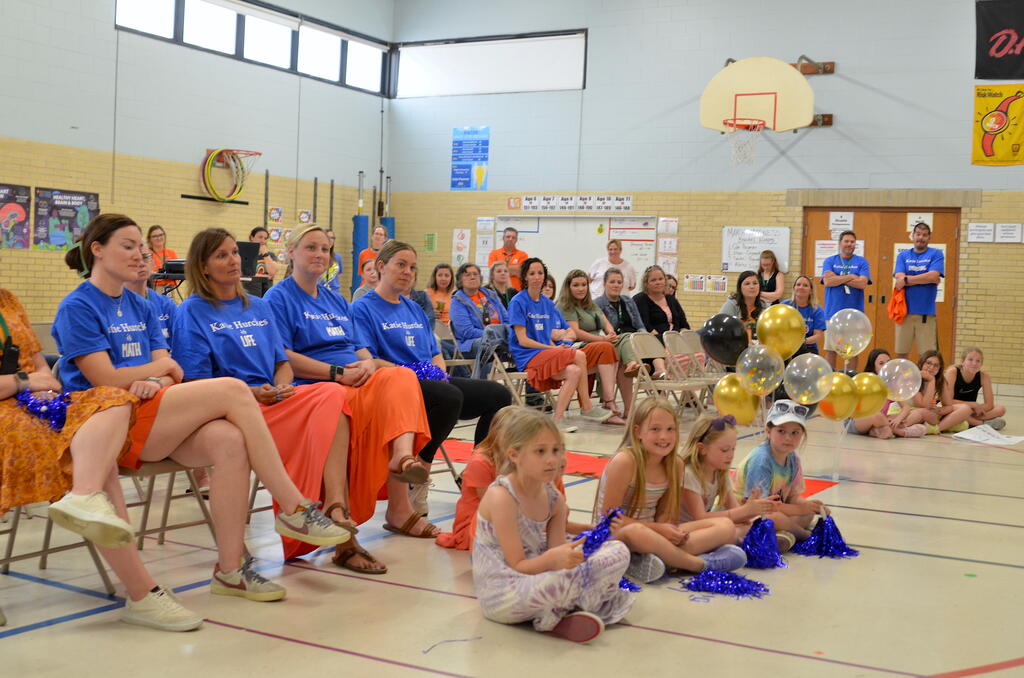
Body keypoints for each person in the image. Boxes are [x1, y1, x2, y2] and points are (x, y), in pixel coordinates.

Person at [53, 214, 351, 615]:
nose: (139, 253)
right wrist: (155, 373)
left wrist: (154, 377)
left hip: (153, 412)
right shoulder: (78, 305)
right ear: (97, 250)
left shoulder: (141, 306)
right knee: (233, 389)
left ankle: (231, 570)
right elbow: (104, 378)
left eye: (140, 246)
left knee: (229, 440)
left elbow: (169, 370)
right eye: (128, 246)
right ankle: (294, 507)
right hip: (105, 425)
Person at [172, 227, 406, 564]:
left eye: (235, 252)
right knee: (334, 405)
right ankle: (302, 511)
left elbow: (282, 362)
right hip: (230, 408)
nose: (234, 260)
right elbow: (197, 382)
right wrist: (252, 392)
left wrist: (283, 384)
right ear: (203, 266)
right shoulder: (192, 312)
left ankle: (335, 507)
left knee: (331, 394)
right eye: (221, 255)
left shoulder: (257, 306)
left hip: (274, 399)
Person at [0, 288, 190, 630]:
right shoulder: (78, 304)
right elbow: (32, 374)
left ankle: (84, 497)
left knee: (112, 401)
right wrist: (25, 381)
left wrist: (38, 383)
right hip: (9, 417)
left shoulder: (8, 300)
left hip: (37, 404)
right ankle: (141, 592)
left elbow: (43, 369)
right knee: (98, 464)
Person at [263, 225, 434, 571]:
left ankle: (402, 458)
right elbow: (282, 356)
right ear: (291, 253)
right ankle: (339, 517)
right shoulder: (278, 298)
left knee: (401, 376)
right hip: (315, 386)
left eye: (325, 249)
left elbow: (358, 348)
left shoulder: (335, 299)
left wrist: (368, 365)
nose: (319, 255)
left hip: (352, 380)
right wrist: (336, 373)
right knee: (337, 400)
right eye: (311, 247)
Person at [352, 240, 511, 525]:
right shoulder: (362, 308)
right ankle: (419, 474)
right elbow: (368, 360)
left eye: (412, 267)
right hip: (393, 387)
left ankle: (476, 470)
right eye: (401, 265)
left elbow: (435, 353)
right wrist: (410, 375)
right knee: (448, 397)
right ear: (381, 266)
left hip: (429, 384)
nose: (407, 272)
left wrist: (438, 372)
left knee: (498, 395)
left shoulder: (413, 308)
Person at [473, 408, 633, 643]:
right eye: (540, 451)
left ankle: (562, 611)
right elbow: (518, 565)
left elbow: (558, 555)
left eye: (556, 450)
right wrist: (555, 561)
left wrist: (574, 556)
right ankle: (573, 607)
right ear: (514, 455)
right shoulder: (502, 496)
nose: (552, 459)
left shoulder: (554, 499)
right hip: (505, 591)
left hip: (541, 575)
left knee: (618, 551)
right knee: (560, 584)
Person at [593, 398, 748, 583]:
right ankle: (699, 564)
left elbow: (664, 514)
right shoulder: (625, 461)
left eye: (670, 429)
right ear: (638, 432)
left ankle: (656, 559)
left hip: (653, 533)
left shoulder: (676, 464)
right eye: (655, 429)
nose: (663, 436)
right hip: (617, 534)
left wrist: (671, 533)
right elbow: (611, 520)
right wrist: (659, 530)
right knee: (637, 532)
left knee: (725, 526)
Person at [507, 258, 615, 430]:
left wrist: (562, 343)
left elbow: (565, 332)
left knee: (574, 371)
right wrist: (553, 348)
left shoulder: (547, 303)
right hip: (527, 355)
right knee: (579, 355)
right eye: (532, 273)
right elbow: (523, 340)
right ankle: (587, 407)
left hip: (546, 353)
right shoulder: (518, 302)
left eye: (540, 273)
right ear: (525, 277)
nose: (537, 277)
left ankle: (557, 420)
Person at [734, 400, 827, 542]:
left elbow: (792, 497)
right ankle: (804, 535)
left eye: (795, 433)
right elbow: (761, 507)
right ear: (768, 431)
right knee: (774, 518)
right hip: (746, 515)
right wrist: (801, 509)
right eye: (781, 431)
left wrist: (812, 507)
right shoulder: (761, 460)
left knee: (807, 514)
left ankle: (783, 534)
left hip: (773, 510)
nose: (788, 438)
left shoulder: (793, 458)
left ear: (802, 434)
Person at [679, 414, 779, 543]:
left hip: (707, 527)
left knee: (761, 521)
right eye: (724, 450)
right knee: (729, 530)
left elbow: (734, 509)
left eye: (733, 449)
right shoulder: (689, 474)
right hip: (685, 531)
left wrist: (754, 510)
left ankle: (746, 540)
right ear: (702, 449)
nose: (731, 455)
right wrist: (744, 511)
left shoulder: (720, 472)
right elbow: (700, 518)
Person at [556, 269, 635, 420]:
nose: (581, 288)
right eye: (576, 285)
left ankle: (628, 407)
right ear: (568, 287)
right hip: (577, 347)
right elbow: (576, 332)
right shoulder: (565, 305)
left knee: (625, 338)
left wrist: (611, 334)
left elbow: (606, 323)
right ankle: (609, 402)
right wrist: (603, 340)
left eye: (584, 285)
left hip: (599, 344)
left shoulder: (591, 305)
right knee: (609, 350)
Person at [847, 348, 927, 439]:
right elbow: (857, 411)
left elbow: (906, 407)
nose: (886, 366)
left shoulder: (891, 385)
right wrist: (886, 419)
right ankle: (902, 432)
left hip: (881, 420)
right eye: (881, 363)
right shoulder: (867, 381)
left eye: (888, 362)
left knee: (914, 414)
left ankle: (880, 429)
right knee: (877, 416)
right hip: (857, 420)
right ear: (873, 367)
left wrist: (898, 419)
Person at [449, 263, 510, 379]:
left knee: (524, 340)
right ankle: (482, 386)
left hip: (499, 339)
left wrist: (505, 334)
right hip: (472, 343)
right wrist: (492, 335)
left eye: (475, 274)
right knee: (489, 344)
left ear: (480, 278)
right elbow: (466, 332)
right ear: (460, 280)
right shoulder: (458, 301)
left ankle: (530, 384)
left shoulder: (490, 295)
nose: (472, 277)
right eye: (467, 275)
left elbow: (507, 319)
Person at [821, 230, 871, 370]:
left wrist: (837, 277)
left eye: (852, 242)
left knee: (852, 351)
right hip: (833, 313)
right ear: (840, 243)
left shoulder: (862, 262)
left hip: (854, 315)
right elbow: (828, 281)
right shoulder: (830, 261)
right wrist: (851, 276)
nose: (849, 244)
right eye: (846, 241)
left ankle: (850, 377)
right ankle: (831, 378)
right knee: (831, 349)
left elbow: (862, 283)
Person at [894, 222, 944, 359]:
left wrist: (906, 280)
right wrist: (925, 278)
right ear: (913, 235)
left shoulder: (936, 254)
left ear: (929, 237)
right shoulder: (903, 256)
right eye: (918, 234)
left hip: (925, 313)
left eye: (924, 235)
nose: (921, 238)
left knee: (927, 356)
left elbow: (933, 276)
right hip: (903, 312)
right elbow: (899, 278)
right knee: (901, 354)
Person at [944, 347, 1006, 430]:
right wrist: (972, 405)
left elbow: (989, 404)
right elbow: (948, 401)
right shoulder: (952, 372)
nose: (974, 363)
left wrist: (975, 410)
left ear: (981, 364)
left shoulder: (984, 376)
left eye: (978, 361)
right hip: (953, 408)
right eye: (970, 360)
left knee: (1001, 409)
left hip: (971, 410)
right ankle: (982, 424)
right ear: (962, 361)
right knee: (962, 411)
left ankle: (968, 420)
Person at [912, 351, 973, 433]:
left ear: (939, 368)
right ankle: (936, 427)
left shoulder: (941, 381)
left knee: (965, 409)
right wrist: (931, 380)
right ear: (921, 363)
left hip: (932, 414)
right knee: (961, 424)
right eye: (928, 363)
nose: (931, 367)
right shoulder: (913, 378)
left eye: (936, 365)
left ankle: (936, 429)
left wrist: (939, 410)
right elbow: (924, 406)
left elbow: (949, 406)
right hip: (916, 412)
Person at [126, 250, 176, 341]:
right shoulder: (113, 305)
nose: (141, 264)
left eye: (145, 257)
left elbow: (179, 345)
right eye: (134, 259)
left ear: (152, 263)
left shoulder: (166, 305)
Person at [634, 265, 689, 339]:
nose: (658, 282)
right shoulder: (640, 300)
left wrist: (684, 336)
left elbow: (683, 324)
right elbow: (645, 326)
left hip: (675, 339)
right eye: (653, 280)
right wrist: (662, 340)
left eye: (660, 279)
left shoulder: (671, 299)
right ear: (646, 283)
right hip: (654, 340)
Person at [781, 275, 825, 356]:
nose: (801, 287)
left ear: (811, 291)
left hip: (808, 346)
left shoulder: (817, 310)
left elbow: (818, 335)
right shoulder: (784, 306)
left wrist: (802, 341)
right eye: (798, 284)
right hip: (786, 346)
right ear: (794, 288)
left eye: (805, 285)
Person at [718, 270, 765, 342]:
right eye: (747, 284)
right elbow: (720, 328)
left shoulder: (764, 306)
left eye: (755, 283)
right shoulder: (731, 305)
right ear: (740, 288)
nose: (752, 286)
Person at [487, 226, 528, 291]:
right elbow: (492, 271)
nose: (510, 239)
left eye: (513, 237)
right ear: (503, 238)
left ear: (516, 240)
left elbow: (522, 272)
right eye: (508, 237)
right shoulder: (494, 253)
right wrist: (515, 269)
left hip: (517, 292)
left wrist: (500, 269)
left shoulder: (523, 255)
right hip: (497, 291)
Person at [146, 225, 177, 291]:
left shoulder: (171, 253)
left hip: (170, 288)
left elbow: (177, 274)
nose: (159, 238)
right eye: (155, 236)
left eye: (161, 235)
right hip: (154, 288)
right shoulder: (147, 254)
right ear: (149, 239)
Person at [321, 229, 344, 296]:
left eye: (332, 238)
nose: (330, 240)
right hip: (321, 292)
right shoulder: (318, 256)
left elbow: (339, 276)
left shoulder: (338, 257)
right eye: (328, 237)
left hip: (335, 293)